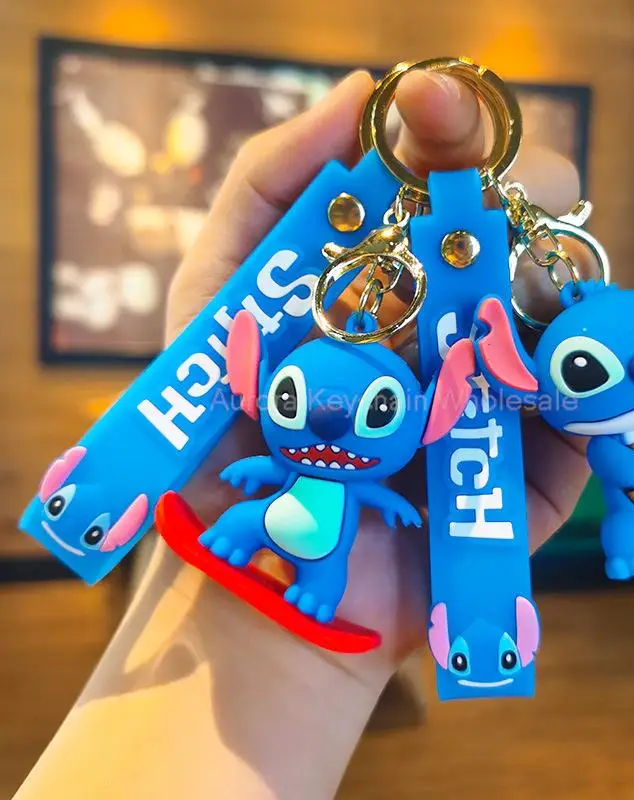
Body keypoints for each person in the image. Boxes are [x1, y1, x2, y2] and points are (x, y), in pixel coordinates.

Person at [14, 69, 589, 800]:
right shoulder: (268, 371)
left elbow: (380, 497)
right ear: (260, 390)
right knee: (247, 524)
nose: (328, 424)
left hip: (334, 560)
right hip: (272, 525)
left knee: (298, 557)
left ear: (429, 415)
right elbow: (270, 475)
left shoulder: (435, 408)